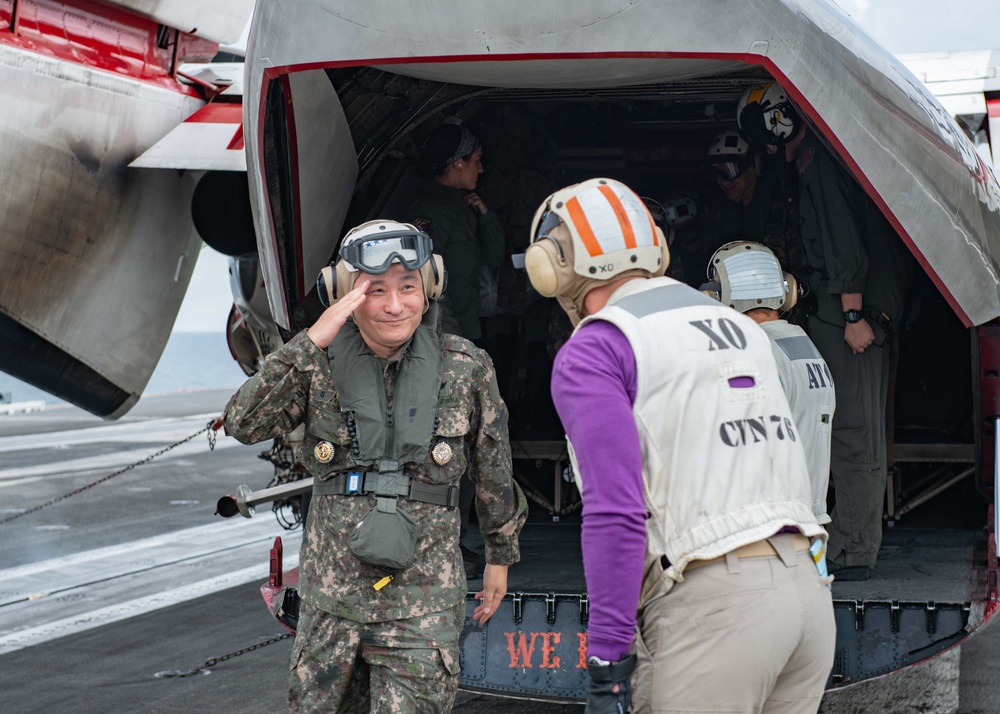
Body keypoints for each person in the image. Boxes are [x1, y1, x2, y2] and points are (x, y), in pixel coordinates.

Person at [526, 178, 835, 713]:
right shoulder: (740, 328)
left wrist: (607, 662)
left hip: (714, 612)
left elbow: (615, 512)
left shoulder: (598, 348)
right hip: (807, 595)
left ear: (553, 265)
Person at [223, 220, 527, 713]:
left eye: (408, 287)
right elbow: (243, 421)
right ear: (343, 294)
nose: (394, 305)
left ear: (428, 289)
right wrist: (311, 340)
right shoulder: (315, 366)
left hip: (420, 610)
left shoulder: (466, 367)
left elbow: (493, 468)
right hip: (330, 609)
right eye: (374, 290)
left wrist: (500, 555)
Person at [739, 81, 911, 581]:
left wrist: (855, 317)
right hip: (845, 312)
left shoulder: (818, 162)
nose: (766, 148)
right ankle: (854, 540)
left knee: (854, 432)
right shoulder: (818, 158)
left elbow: (843, 244)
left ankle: (855, 549)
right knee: (854, 430)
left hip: (847, 318)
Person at [403, 122, 508, 578]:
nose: (482, 169)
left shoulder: (461, 208)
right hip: (444, 344)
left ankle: (454, 537)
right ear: (458, 163)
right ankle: (438, 540)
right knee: (446, 446)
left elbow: (493, 259)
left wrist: (485, 216)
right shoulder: (427, 212)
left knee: (467, 444)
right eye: (477, 160)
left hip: (466, 339)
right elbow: (421, 282)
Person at [703, 240, 836, 523]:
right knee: (812, 569)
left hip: (770, 522)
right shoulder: (802, 344)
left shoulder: (756, 350)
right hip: (810, 517)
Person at [702, 130, 808, 299]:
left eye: (730, 170)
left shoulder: (784, 209)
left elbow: (800, 268)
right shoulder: (718, 215)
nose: (723, 181)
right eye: (717, 173)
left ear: (756, 165)